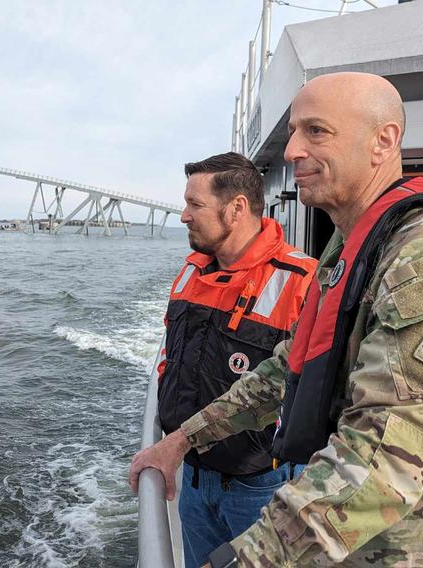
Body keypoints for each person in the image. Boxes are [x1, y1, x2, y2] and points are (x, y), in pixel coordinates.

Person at [140, 73, 423, 567]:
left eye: (316, 131)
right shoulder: (348, 250)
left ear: (383, 141)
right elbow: (286, 369)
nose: (293, 149)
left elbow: (384, 457)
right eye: (295, 131)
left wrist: (243, 559)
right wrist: (184, 439)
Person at [130, 152, 317, 567]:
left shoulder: (301, 282)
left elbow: (302, 390)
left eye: (194, 205)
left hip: (261, 490)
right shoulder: (189, 272)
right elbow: (170, 358)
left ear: (236, 210)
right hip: (192, 482)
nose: (183, 216)